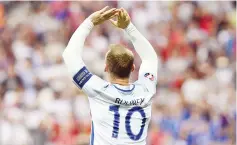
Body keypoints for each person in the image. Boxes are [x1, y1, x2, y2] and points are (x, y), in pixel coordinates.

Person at [62, 6, 158, 145]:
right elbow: (150, 58)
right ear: (133, 68)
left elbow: (70, 55)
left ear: (106, 68)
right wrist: (128, 27)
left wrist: (89, 22)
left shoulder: (98, 90)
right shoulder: (146, 91)